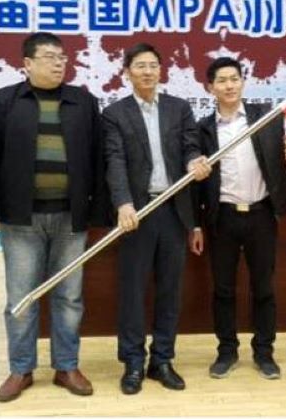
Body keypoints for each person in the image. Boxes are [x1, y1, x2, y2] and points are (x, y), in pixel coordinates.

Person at [0, 32, 104, 402]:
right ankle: (21, 369)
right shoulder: (5, 101)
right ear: (27, 63)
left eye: (62, 57)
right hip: (21, 219)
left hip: (70, 218)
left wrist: (98, 211)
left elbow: (98, 158)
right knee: (21, 298)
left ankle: (66, 366)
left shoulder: (83, 101)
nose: (59, 63)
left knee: (69, 297)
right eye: (49, 57)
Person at [102, 42, 211, 395]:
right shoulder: (114, 114)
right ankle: (133, 362)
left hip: (173, 211)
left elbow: (190, 145)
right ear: (127, 72)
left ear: (161, 71)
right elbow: (115, 161)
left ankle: (162, 360)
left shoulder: (179, 109)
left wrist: (194, 160)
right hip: (137, 213)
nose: (148, 71)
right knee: (132, 291)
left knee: (170, 290)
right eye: (140, 66)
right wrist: (123, 203)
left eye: (153, 65)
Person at [189, 56, 286, 381]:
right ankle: (227, 351)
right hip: (222, 218)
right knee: (223, 290)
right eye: (221, 81)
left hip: (261, 215)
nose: (229, 85)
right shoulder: (203, 129)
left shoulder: (267, 117)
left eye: (234, 79)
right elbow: (195, 183)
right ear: (210, 87)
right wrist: (196, 224)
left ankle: (264, 353)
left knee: (264, 288)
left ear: (243, 82)